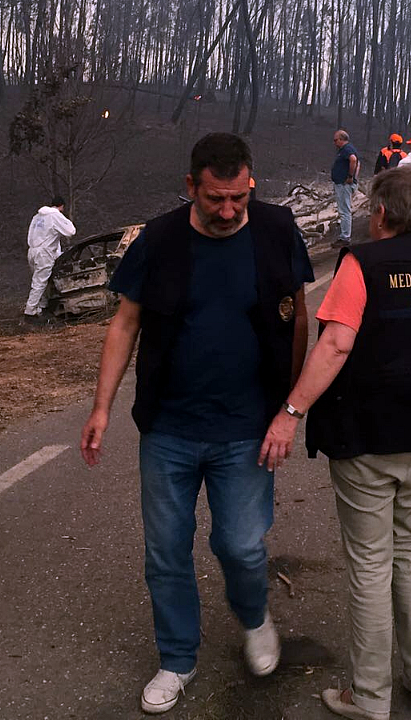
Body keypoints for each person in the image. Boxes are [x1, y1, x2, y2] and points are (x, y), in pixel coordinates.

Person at [80, 132, 314, 715]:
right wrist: (101, 407)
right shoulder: (158, 240)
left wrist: (289, 408)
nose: (229, 211)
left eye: (239, 197)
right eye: (215, 199)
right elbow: (125, 323)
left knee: (241, 545)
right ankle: (177, 658)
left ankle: (254, 618)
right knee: (165, 551)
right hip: (169, 428)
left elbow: (297, 317)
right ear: (191, 186)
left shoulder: (276, 230)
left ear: (250, 184)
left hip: (247, 427)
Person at [258, 169, 411, 720]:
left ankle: (369, 696)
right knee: (407, 547)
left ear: (381, 212)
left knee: (369, 563)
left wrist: (290, 413)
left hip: (368, 432)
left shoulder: (361, 264)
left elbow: (336, 344)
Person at [24, 196, 77, 321]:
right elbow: (71, 231)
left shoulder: (37, 217)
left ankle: (42, 307)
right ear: (61, 206)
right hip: (44, 253)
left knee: (40, 282)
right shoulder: (55, 215)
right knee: (40, 282)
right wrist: (63, 220)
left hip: (32, 251)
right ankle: (30, 312)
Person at [332, 129, 360, 247]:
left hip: (344, 185)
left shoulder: (347, 149)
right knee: (344, 210)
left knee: (344, 211)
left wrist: (350, 177)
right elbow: (358, 164)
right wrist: (355, 178)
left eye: (335, 140)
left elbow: (354, 160)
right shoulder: (347, 149)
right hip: (343, 184)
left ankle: (345, 237)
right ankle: (344, 235)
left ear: (341, 139)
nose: (334, 143)